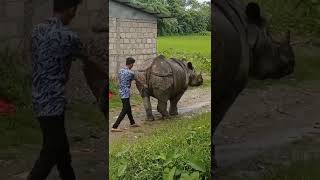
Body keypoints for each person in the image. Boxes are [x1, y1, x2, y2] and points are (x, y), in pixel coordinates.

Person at [27, 0, 86, 179]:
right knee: (51, 150)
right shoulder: (69, 37)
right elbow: (86, 60)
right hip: (53, 101)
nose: (75, 14)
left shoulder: (36, 30)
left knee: (62, 151)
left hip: (38, 97)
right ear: (71, 9)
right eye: (75, 10)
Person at [111, 57, 140, 132]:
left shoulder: (120, 70)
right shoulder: (131, 73)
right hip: (126, 93)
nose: (133, 66)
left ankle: (132, 122)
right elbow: (138, 79)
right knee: (125, 109)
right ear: (130, 64)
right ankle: (115, 126)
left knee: (128, 108)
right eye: (133, 64)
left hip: (121, 92)